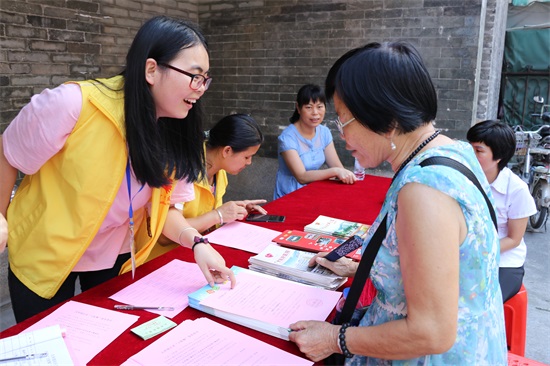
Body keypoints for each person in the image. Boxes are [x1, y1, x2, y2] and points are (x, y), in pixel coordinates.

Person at [0, 15, 236, 323]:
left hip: (116, 256)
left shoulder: (176, 130)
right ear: (152, 69)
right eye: (194, 76)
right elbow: (8, 154)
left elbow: (165, 211)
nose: (201, 88)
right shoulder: (74, 104)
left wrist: (197, 243)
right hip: (44, 255)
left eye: (205, 78)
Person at [288, 42, 507, 365]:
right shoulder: (452, 150)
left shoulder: (424, 190)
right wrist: (361, 268)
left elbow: (431, 332)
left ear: (386, 118)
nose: (342, 138)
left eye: (343, 121)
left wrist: (335, 338)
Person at [148, 113, 268, 260]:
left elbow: (207, 215)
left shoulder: (220, 173)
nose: (249, 163)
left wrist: (233, 211)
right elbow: (164, 237)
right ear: (227, 151)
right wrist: (217, 215)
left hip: (196, 252)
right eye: (247, 157)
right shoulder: (181, 170)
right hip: (163, 258)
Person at [467, 120, 537, 302]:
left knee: (481, 302)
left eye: (478, 150)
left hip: (503, 262)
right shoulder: (464, 179)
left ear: (498, 156)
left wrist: (479, 252)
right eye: (470, 148)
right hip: (467, 256)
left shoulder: (517, 190)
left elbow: (514, 239)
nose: (470, 155)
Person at [273, 84, 356, 199]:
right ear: (298, 108)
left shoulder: (324, 132)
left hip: (314, 192)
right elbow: (302, 177)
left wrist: (343, 173)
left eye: (319, 106)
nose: (315, 113)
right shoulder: (287, 138)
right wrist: (334, 171)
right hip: (289, 196)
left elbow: (337, 167)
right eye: (309, 107)